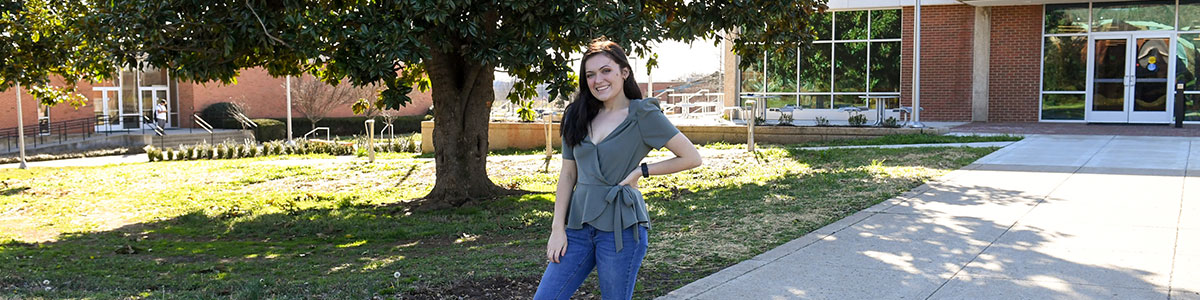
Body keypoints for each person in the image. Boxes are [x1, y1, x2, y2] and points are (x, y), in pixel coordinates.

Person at [533, 38, 703, 300]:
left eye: (606, 71)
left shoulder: (643, 114)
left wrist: (641, 172)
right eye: (590, 74)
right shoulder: (576, 115)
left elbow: (691, 157)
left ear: (624, 72)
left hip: (621, 229)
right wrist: (558, 229)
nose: (597, 80)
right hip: (577, 227)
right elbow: (568, 175)